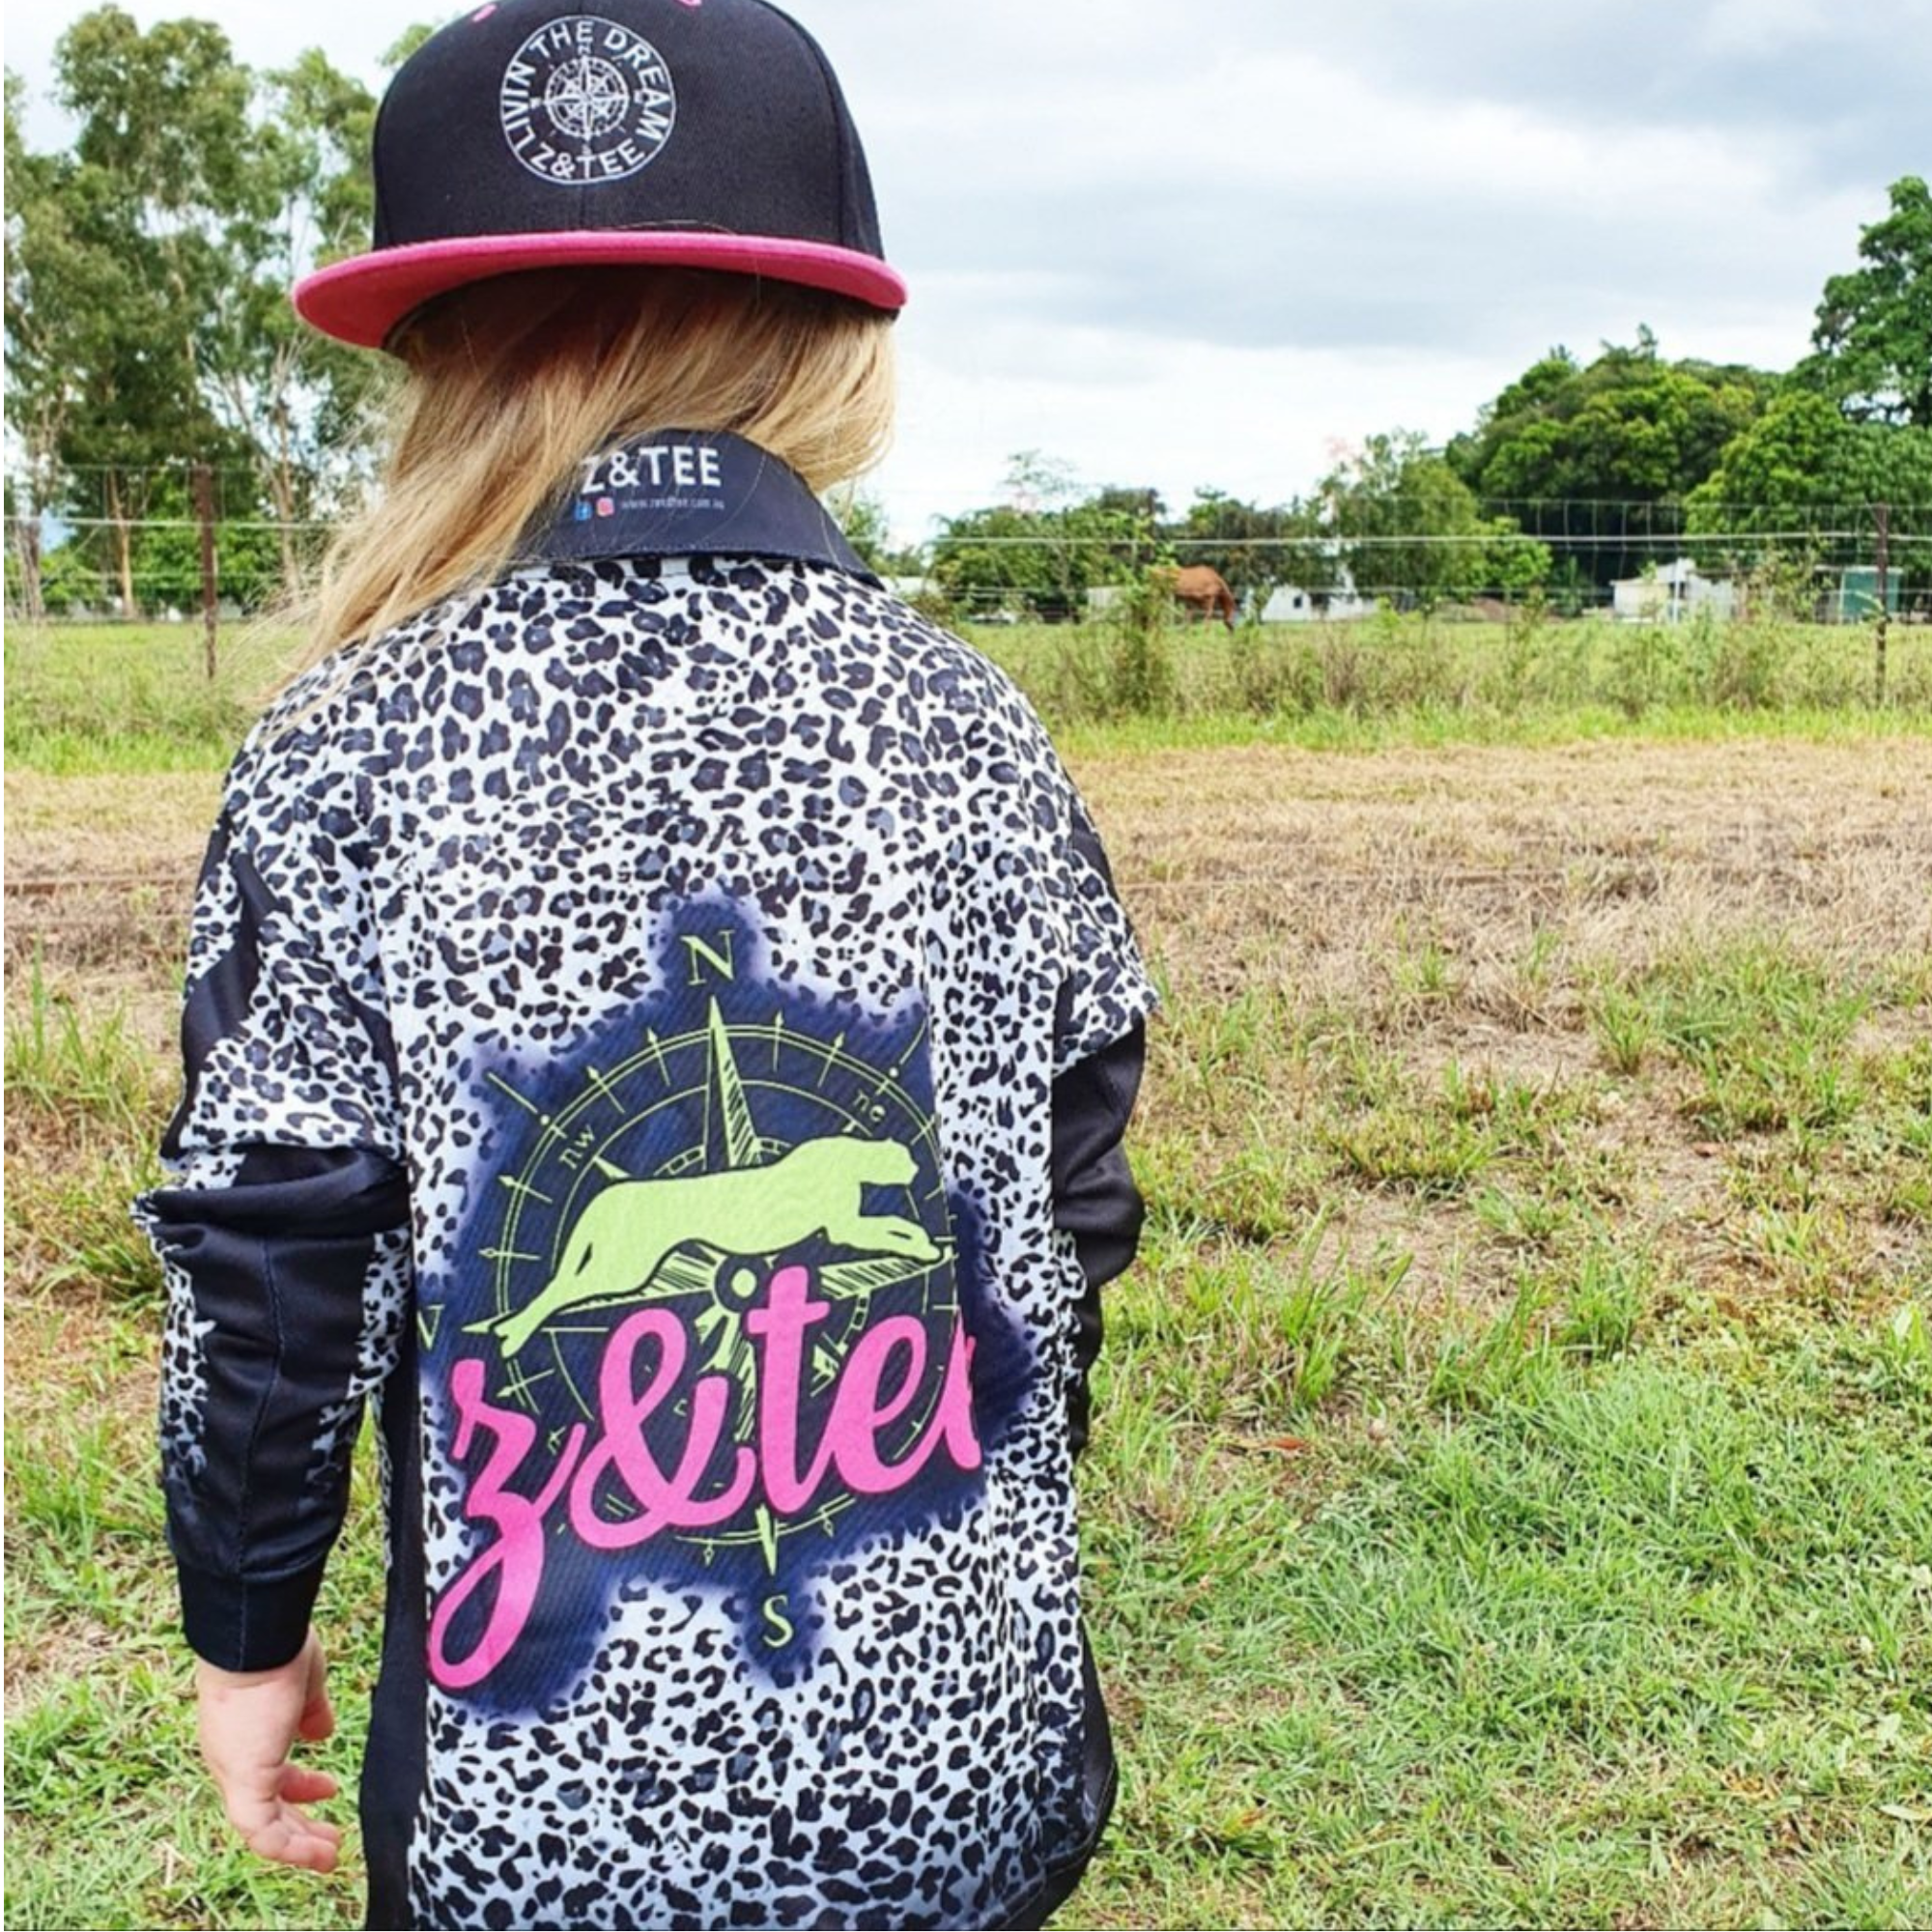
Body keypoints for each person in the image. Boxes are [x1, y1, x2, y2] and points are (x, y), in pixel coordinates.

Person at [136, 3, 1156, 1927]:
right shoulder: (975, 724)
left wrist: (247, 1631)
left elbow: (273, 1255)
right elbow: (1070, 1187)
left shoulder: (347, 742)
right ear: (830, 340)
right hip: (959, 1772)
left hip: (531, 1818)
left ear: (442, 358)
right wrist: (1005, 1548)